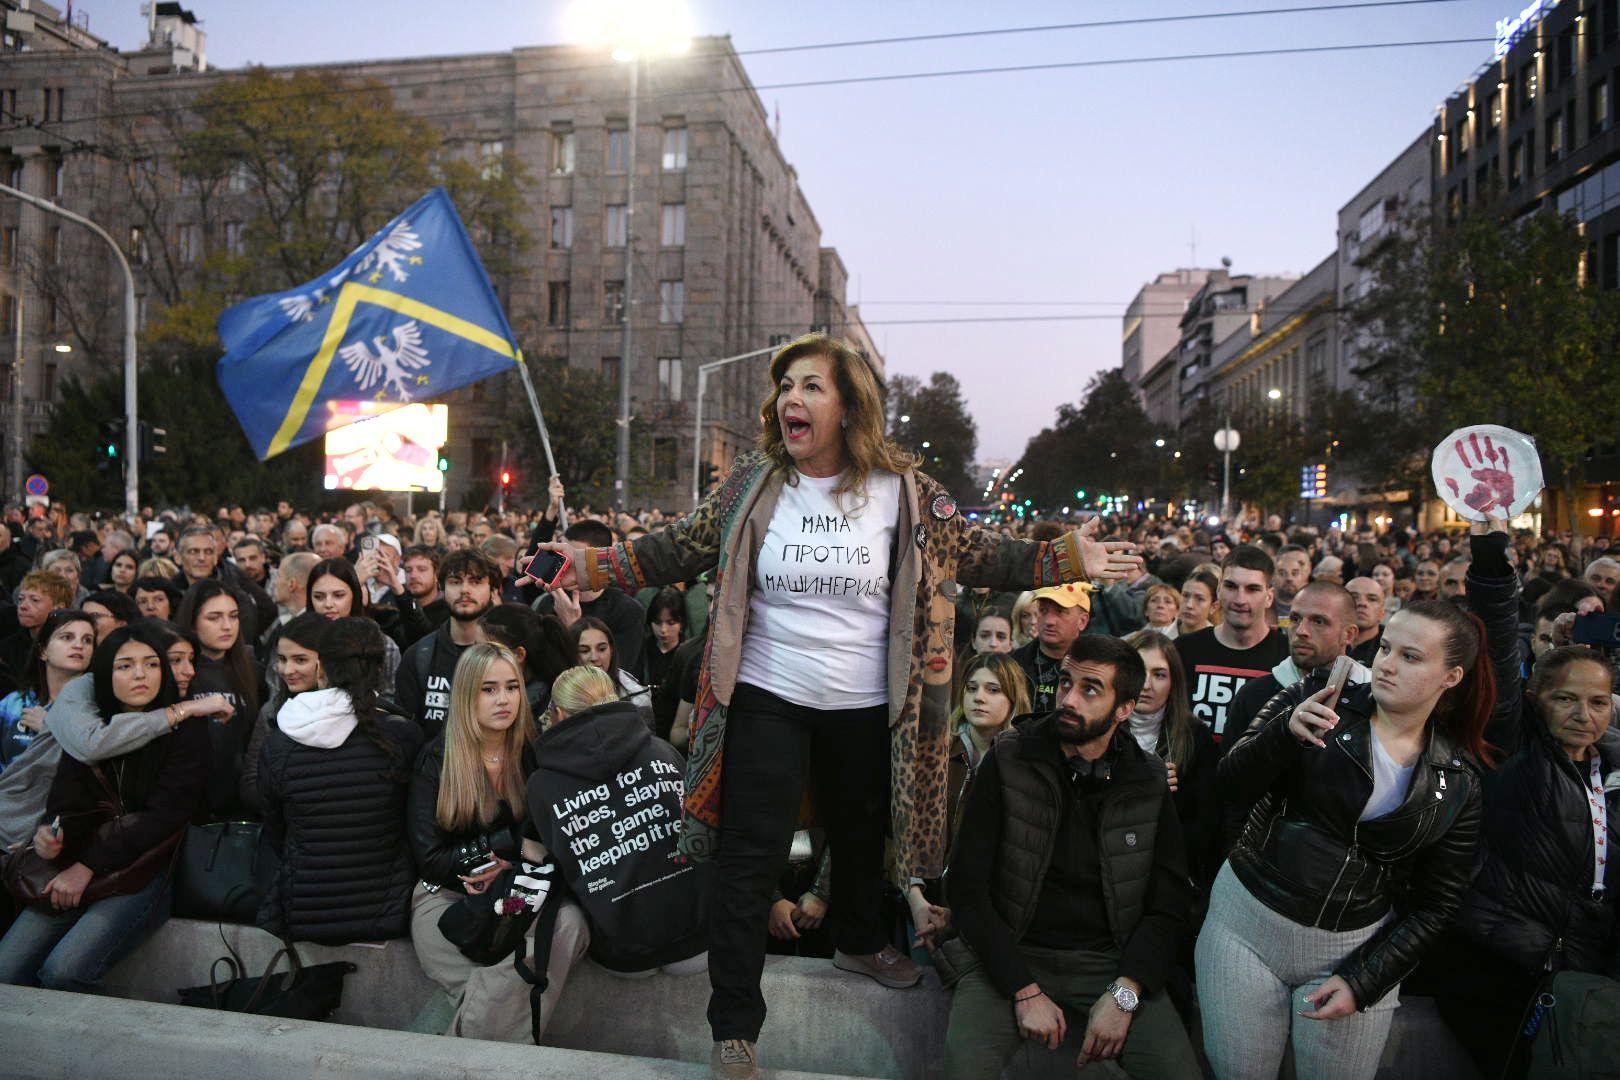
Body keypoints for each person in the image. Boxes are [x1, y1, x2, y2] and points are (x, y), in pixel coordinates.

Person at [524, 333, 1137, 1080]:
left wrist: (1062, 558)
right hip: (767, 694)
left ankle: (857, 940)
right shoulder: (752, 483)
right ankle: (734, 1026)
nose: (792, 399)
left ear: (850, 406)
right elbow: (671, 551)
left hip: (868, 702)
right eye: (786, 385)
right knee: (751, 857)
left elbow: (978, 553)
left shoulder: (906, 490)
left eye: (812, 386)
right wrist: (586, 562)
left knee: (861, 831)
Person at [1197, 599, 1491, 1079]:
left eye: (1411, 657)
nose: (1387, 665)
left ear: (1451, 677)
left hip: (1352, 949)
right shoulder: (1320, 693)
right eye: (1386, 648)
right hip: (1245, 924)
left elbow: (1437, 905)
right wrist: (1282, 736)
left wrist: (1364, 979)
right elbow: (1228, 786)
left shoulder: (1458, 781)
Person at [1411, 518, 1620, 1076]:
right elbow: (1498, 648)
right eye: (1566, 699)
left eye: (1598, 702)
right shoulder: (1514, 746)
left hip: (1584, 978)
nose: (1583, 715)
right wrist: (1490, 557)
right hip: (1500, 970)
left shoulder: (1614, 772)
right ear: (1535, 699)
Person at [941, 636, 1199, 1079]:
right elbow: (966, 887)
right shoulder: (1009, 757)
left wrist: (1125, 994)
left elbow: (1168, 904)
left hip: (1110, 963)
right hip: (1010, 951)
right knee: (964, 1069)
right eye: (1065, 682)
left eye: (1090, 689)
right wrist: (1023, 990)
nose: (1069, 698)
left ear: (1124, 709)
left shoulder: (1148, 779)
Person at [0, 624, 210, 991]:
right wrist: (51, 834)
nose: (140, 675)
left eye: (151, 664)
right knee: (6, 967)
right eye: (124, 666)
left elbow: (162, 819)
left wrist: (86, 866)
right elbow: (65, 799)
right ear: (104, 674)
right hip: (76, 862)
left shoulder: (186, 730)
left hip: (142, 870)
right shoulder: (89, 726)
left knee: (64, 972)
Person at [407, 643, 589, 1043]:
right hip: (449, 900)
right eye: (488, 689)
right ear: (466, 694)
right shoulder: (436, 759)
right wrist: (512, 845)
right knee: (510, 994)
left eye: (512, 687)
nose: (504, 699)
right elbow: (431, 860)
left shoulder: (532, 755)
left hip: (516, 898)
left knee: (571, 924)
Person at [527, 665, 710, 975]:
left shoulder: (541, 786)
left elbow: (565, 867)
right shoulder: (663, 752)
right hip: (699, 940)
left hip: (621, 954)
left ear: (558, 713)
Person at [257, 617, 423, 944]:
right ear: (379, 668)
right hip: (389, 910)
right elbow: (416, 826)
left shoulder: (280, 741)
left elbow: (276, 829)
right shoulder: (403, 735)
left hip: (305, 910)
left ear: (322, 669)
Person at [904, 651, 1030, 949]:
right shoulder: (934, 754)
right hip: (925, 905)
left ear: (1013, 699)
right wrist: (916, 900)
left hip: (991, 917)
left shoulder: (1023, 765)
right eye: (971, 688)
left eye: (993, 689)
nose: (979, 697)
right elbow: (902, 834)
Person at [1122, 629, 1220, 890]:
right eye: (1140, 671)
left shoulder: (1195, 736)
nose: (1146, 684)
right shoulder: (1100, 727)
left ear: (1174, 681)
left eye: (1159, 675)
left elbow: (1204, 821)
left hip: (1166, 872)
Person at [1175, 546, 1290, 749]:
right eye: (1231, 586)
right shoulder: (1183, 649)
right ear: (1219, 590)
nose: (1240, 599)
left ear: (1269, 596)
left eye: (1252, 589)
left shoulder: (1288, 657)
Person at [176, 579, 262, 820]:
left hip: (241, 806)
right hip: (189, 804)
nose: (227, 626)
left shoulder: (253, 671)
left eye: (233, 616)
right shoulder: (177, 673)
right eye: (214, 618)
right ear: (192, 623)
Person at [396, 549, 499, 738]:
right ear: (442, 588)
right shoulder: (418, 657)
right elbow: (405, 735)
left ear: (493, 591)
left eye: (476, 581)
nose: (465, 589)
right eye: (455, 582)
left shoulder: (508, 655)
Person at [532, 520, 648, 676]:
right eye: (562, 555)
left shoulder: (627, 610)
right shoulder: (550, 603)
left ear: (597, 562)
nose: (565, 564)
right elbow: (544, 669)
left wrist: (573, 627)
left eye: (575, 558)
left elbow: (613, 675)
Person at [240, 612, 324, 814]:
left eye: (300, 660)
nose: (287, 670)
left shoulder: (352, 709)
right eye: (282, 659)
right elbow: (251, 783)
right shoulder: (272, 711)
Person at [0, 611, 96, 771]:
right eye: (67, 637)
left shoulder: (97, 707)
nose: (79, 645)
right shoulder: (13, 703)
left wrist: (49, 727)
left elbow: (93, 763)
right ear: (43, 651)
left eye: (87, 640)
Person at [476, 603, 571, 719]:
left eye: (487, 650)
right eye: (475, 648)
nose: (475, 657)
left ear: (519, 655)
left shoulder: (548, 709)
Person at [1011, 583, 1093, 715]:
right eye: (1043, 611)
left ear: (1082, 621)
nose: (1049, 621)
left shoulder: (1097, 667)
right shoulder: (1013, 664)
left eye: (1060, 611)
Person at [570, 616, 653, 726]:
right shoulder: (559, 689)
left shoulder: (635, 695)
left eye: (602, 649)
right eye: (584, 651)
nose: (594, 657)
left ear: (612, 650)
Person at [641, 587, 690, 740]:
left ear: (681, 624)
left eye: (671, 623)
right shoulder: (641, 650)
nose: (663, 630)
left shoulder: (687, 655)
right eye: (658, 622)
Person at [1344, 576, 1385, 664]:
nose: (1362, 603)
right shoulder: (1324, 643)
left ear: (1382, 612)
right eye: (1354, 597)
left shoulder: (1390, 651)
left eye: (1372, 599)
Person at [1176, 567, 1219, 638]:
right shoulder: (1160, 636)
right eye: (1185, 596)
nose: (1189, 605)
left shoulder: (1218, 643)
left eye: (1200, 599)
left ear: (1213, 607)